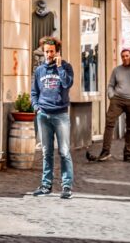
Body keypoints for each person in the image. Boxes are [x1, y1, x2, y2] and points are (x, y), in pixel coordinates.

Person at [30, 37, 75, 199]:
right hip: (43, 115)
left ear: (57, 52)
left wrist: (60, 66)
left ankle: (66, 186)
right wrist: (36, 107)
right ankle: (46, 185)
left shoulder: (66, 67)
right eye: (46, 51)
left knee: (64, 151)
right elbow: (34, 92)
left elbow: (67, 84)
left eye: (51, 51)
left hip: (61, 115)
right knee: (46, 152)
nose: (48, 54)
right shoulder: (39, 71)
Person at [90, 48, 130, 161]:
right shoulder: (117, 70)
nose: (125, 58)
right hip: (118, 100)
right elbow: (110, 85)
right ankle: (105, 151)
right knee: (109, 122)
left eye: (127, 56)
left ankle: (127, 153)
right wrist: (111, 95)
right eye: (123, 56)